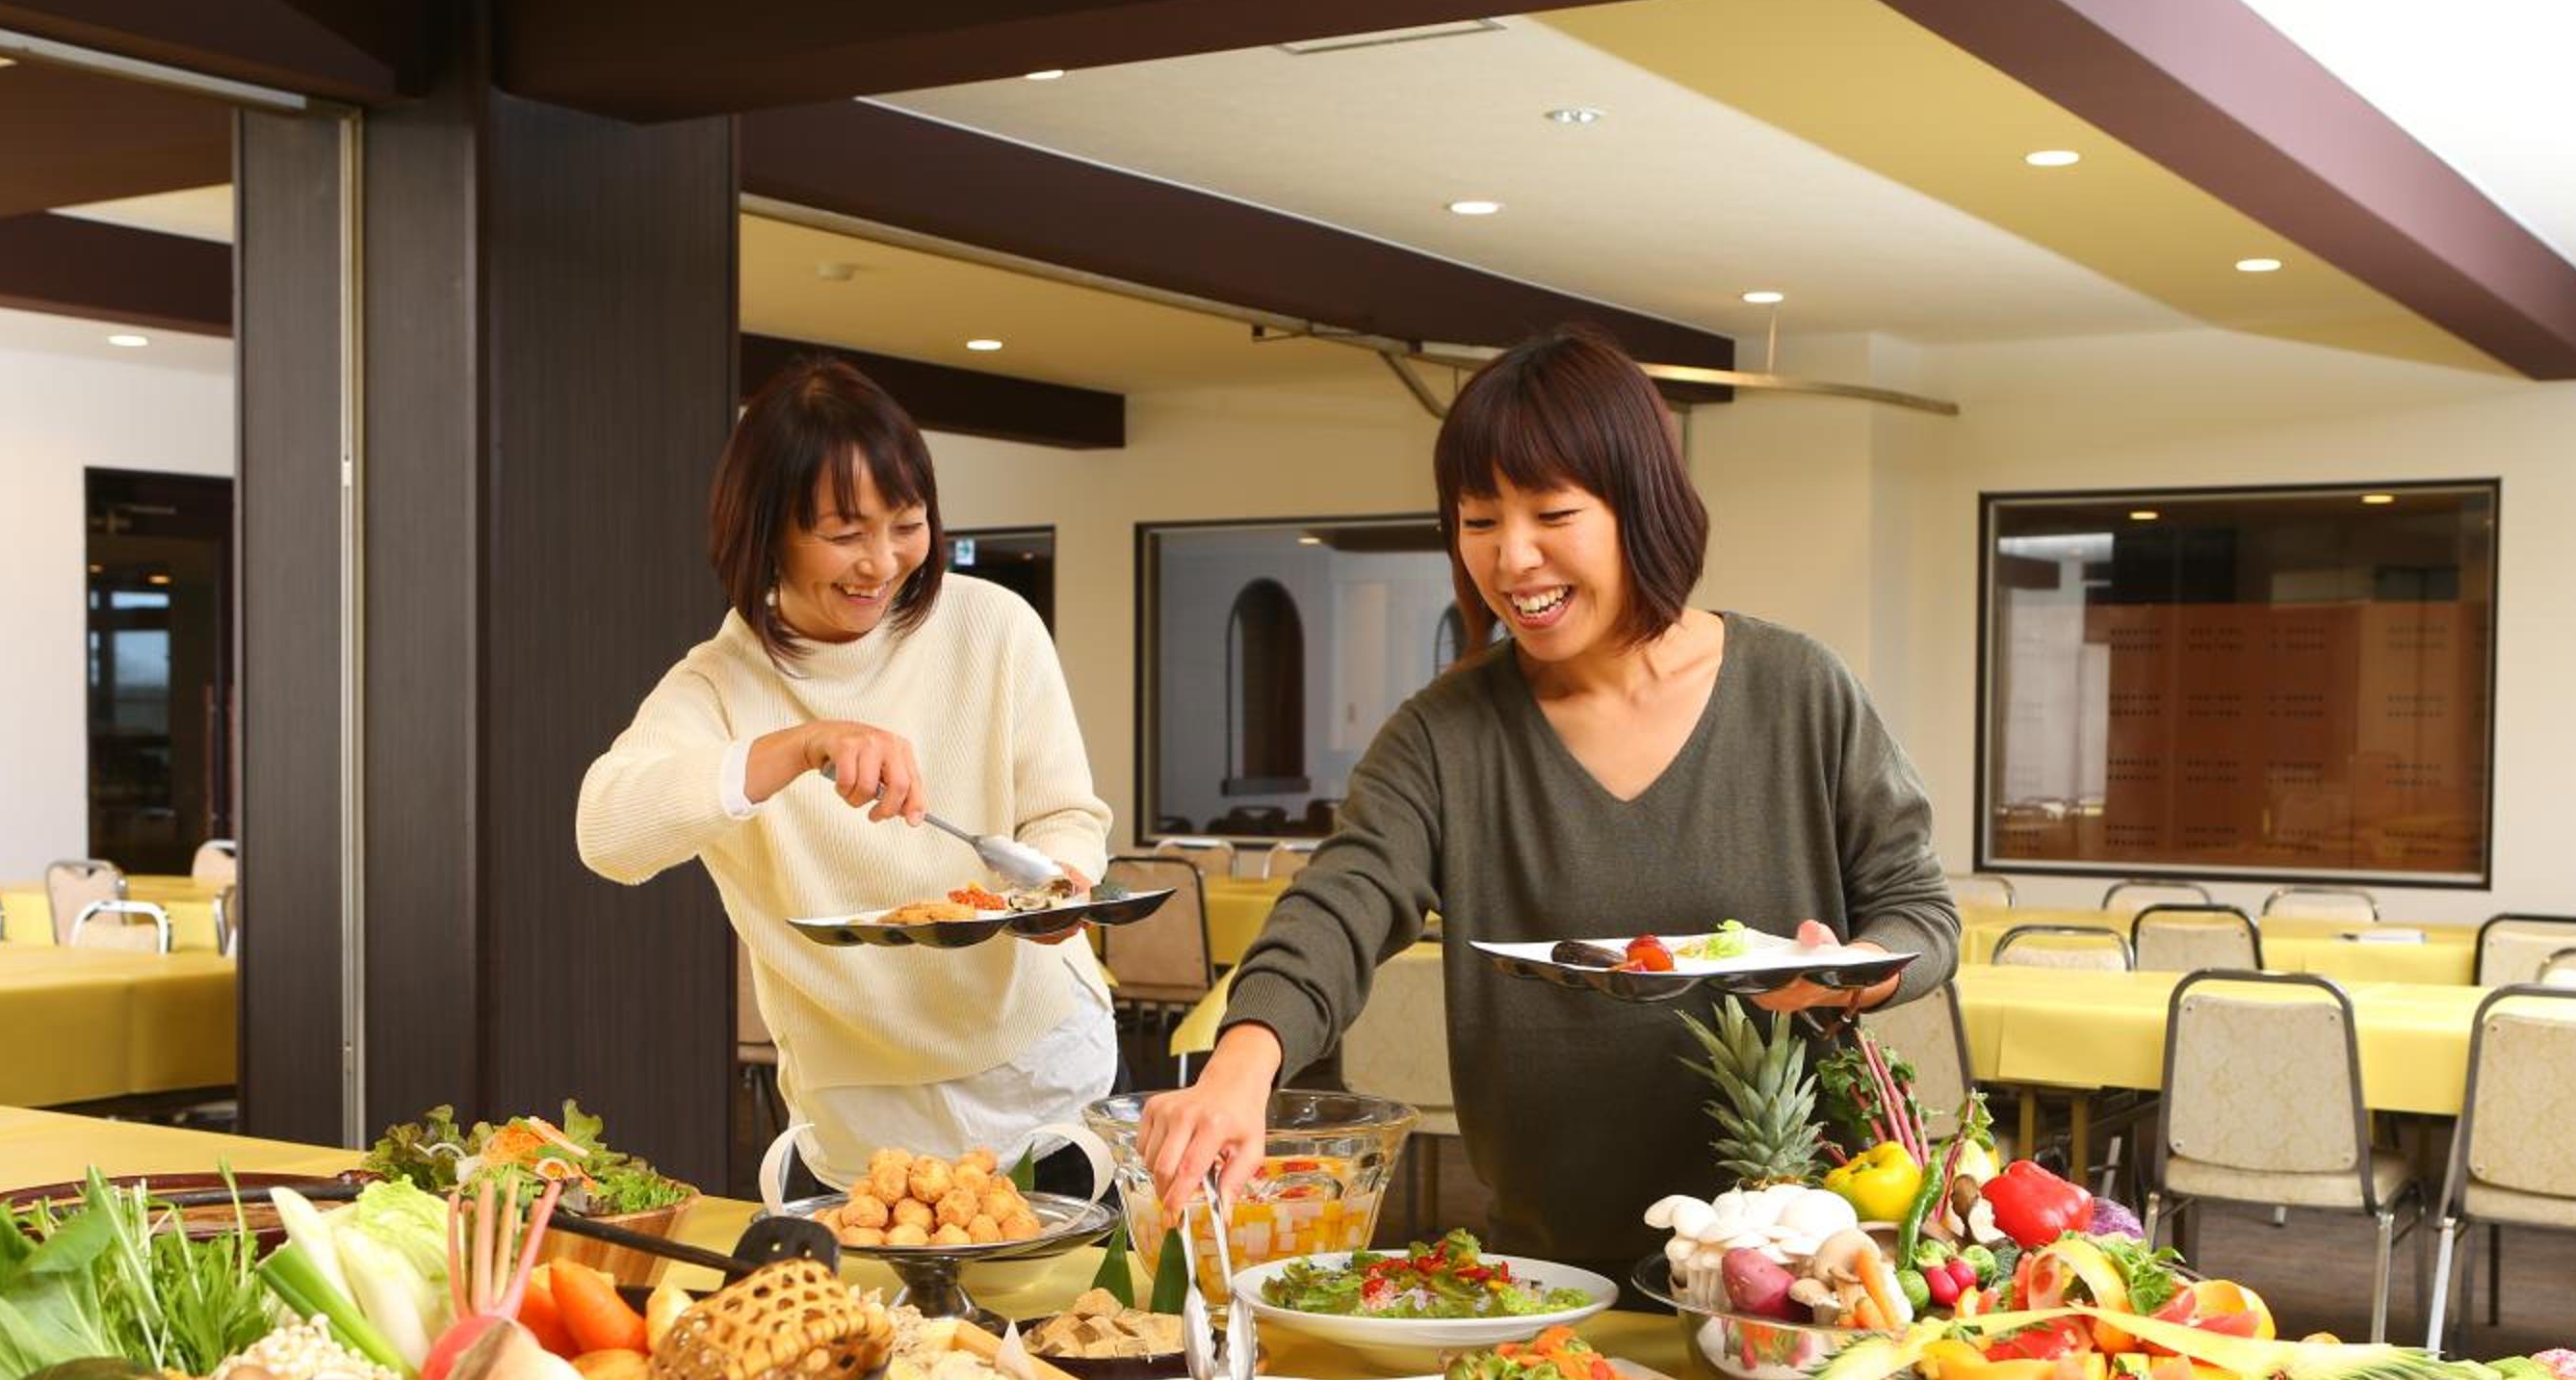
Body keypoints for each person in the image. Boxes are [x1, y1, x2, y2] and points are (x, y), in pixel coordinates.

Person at [1136, 324, 1957, 1267]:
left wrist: (1857, 967)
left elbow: (1919, 908)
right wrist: (1243, 1062)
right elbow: (1342, 898)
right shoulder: (1446, 733)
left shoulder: (1797, 690)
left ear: (1640, 507)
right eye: (1480, 520)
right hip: (1549, 1268)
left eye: (1552, 514)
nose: (1512, 558)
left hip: (1798, 1268)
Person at [577, 355, 1115, 1191]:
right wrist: (798, 746)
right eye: (844, 535)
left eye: (907, 524)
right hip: (859, 1106)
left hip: (1039, 1067)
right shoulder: (719, 684)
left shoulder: (992, 625)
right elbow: (607, 833)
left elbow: (1065, 815)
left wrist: (1061, 887)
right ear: (766, 533)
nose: (883, 562)